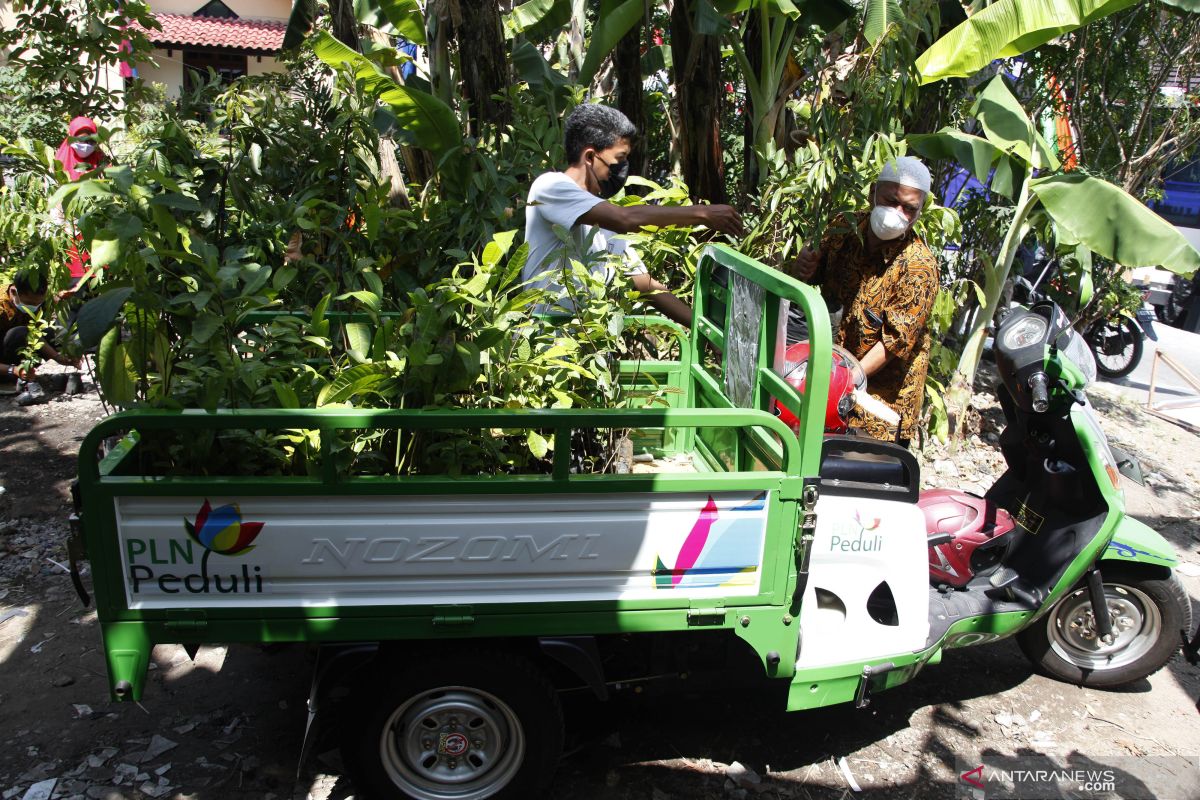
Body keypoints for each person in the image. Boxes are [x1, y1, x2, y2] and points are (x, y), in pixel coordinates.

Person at [523, 104, 743, 326]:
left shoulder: (601, 217)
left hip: (583, 346)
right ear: (590, 156)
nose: (623, 169)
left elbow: (645, 285)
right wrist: (702, 213)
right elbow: (625, 219)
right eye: (620, 158)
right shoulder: (550, 187)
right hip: (544, 343)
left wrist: (702, 330)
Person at [789, 157, 940, 446]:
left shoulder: (918, 267)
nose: (897, 213)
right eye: (891, 201)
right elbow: (809, 278)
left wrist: (844, 379)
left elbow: (893, 344)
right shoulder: (844, 228)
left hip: (880, 402)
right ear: (873, 193)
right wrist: (803, 268)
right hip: (833, 380)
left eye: (909, 209)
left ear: (919, 213)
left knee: (862, 477)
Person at [1, 269, 79, 405]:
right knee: (19, 333)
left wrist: (58, 358)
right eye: (30, 303)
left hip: (14, 349)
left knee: (52, 333)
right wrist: (12, 370)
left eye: (37, 304)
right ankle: (9, 377)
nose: (34, 307)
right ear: (14, 292)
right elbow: (26, 334)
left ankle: (23, 375)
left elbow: (35, 334)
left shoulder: (35, 300)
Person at [54, 117, 108, 299]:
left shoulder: (102, 163)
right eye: (80, 140)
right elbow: (53, 206)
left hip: (99, 240)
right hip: (71, 237)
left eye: (90, 141)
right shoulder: (59, 165)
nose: (85, 145)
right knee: (72, 298)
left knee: (101, 300)